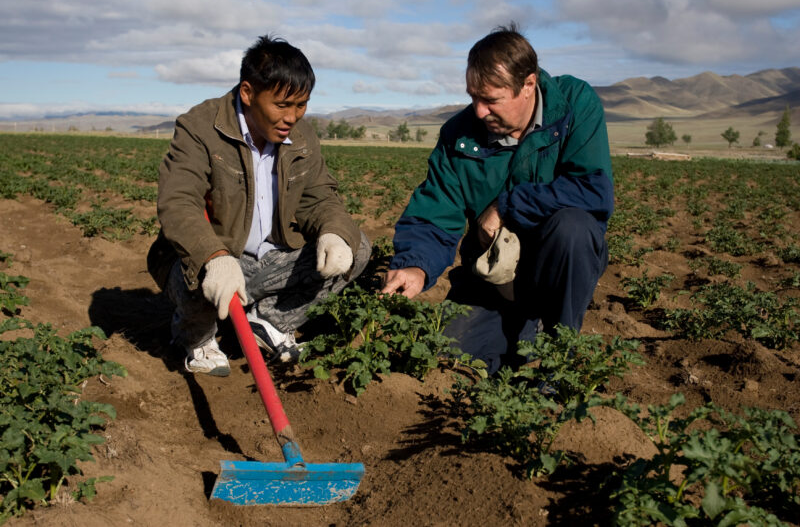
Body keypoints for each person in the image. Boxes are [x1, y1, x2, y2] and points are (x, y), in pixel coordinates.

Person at [381, 24, 613, 374]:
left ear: (528, 85)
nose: (479, 111)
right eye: (473, 97)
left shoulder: (573, 105)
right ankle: (521, 332)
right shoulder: (459, 136)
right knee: (442, 364)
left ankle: (558, 356)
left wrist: (505, 205)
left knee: (573, 227)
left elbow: (593, 190)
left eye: (491, 99)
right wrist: (416, 264)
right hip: (490, 278)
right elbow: (434, 213)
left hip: (556, 272)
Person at [147, 35, 370, 376]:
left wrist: (334, 231)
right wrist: (214, 256)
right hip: (219, 258)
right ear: (248, 93)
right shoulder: (201, 128)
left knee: (358, 246)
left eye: (301, 105)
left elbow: (319, 196)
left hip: (271, 258)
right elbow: (179, 202)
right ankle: (198, 338)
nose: (292, 116)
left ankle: (268, 322)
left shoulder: (301, 136)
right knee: (198, 270)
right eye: (282, 105)